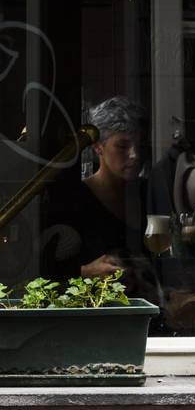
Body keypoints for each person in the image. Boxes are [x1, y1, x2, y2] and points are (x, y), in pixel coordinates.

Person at [42, 97, 158, 302]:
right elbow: (38, 274)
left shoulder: (149, 194)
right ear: (98, 147)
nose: (134, 155)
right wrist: (85, 272)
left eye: (141, 145)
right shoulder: (71, 201)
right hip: (94, 319)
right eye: (122, 146)